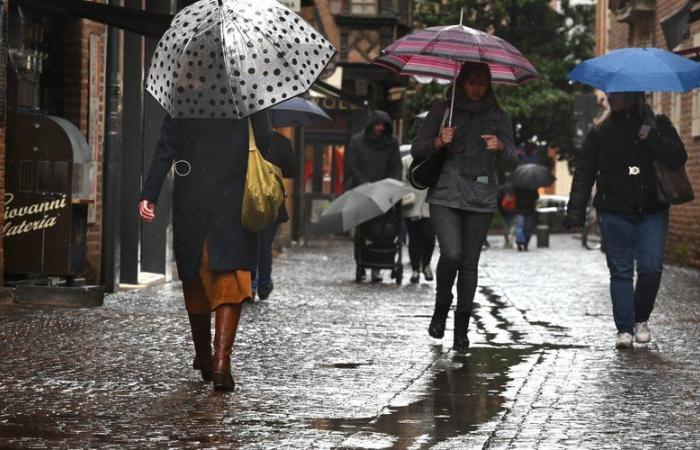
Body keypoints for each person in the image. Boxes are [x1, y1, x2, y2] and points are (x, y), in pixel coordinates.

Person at [139, 112, 272, 391]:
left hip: (192, 198)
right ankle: (221, 360)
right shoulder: (244, 91)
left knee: (196, 276)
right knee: (231, 278)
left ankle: (203, 356)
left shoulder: (183, 95)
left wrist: (149, 193)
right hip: (233, 199)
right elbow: (265, 141)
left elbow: (165, 149)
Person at [565, 92, 687, 349]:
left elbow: (678, 158)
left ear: (634, 95)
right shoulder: (601, 130)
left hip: (652, 210)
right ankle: (624, 329)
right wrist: (575, 212)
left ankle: (640, 319)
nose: (613, 97)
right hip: (613, 211)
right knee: (620, 272)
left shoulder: (659, 124)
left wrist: (651, 137)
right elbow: (585, 171)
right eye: (611, 92)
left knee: (650, 268)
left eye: (620, 93)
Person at [411, 62, 518, 353]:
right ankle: (441, 307)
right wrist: (438, 141)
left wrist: (501, 148)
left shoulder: (499, 116)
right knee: (452, 254)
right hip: (446, 192)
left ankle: (461, 331)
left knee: (469, 264)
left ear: (488, 85)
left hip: (481, 195)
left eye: (482, 82)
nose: (476, 87)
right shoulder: (443, 109)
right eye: (471, 81)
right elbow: (417, 149)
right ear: (461, 81)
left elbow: (514, 160)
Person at [346, 110, 402, 282]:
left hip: (385, 193)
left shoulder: (391, 143)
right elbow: (353, 166)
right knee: (361, 231)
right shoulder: (357, 141)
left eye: (382, 126)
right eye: (377, 125)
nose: (379, 128)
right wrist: (365, 185)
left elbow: (396, 166)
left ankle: (379, 265)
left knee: (384, 230)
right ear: (371, 125)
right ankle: (361, 263)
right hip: (362, 192)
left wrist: (392, 186)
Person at [254, 131, 294, 300]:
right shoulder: (282, 142)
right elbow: (290, 171)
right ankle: (263, 284)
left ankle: (251, 284)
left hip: (250, 199)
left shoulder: (248, 139)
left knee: (251, 244)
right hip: (272, 201)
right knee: (264, 246)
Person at [401, 153, 436, 283]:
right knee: (414, 238)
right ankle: (416, 269)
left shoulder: (433, 158)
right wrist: (408, 195)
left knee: (429, 236)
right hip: (412, 204)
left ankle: (426, 264)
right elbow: (401, 182)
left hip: (429, 205)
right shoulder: (405, 161)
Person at [512, 185, 539, 251]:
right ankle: (525, 243)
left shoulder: (517, 186)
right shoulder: (532, 187)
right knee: (527, 228)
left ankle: (520, 242)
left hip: (519, 210)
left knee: (520, 227)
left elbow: (513, 195)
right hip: (528, 210)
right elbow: (536, 197)